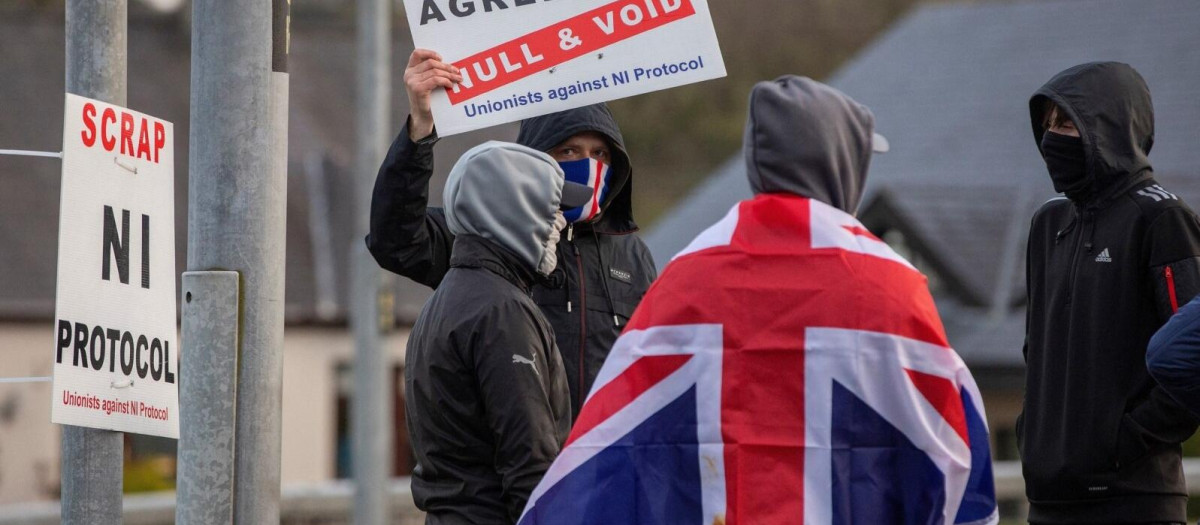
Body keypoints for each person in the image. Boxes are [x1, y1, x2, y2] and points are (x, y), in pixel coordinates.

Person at [516, 76, 997, 524]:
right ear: (843, 162)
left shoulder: (689, 275)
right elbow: (953, 447)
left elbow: (613, 437)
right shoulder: (890, 282)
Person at [368, 49, 657, 416]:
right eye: (569, 151)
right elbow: (395, 239)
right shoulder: (486, 233)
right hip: (515, 449)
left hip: (604, 450)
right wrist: (420, 129)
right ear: (532, 161)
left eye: (600, 153)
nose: (587, 164)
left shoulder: (633, 254)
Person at [1018, 62, 1200, 524]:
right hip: (1047, 500)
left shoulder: (1162, 219)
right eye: (1047, 125)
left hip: (1135, 500)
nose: (1051, 139)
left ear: (1109, 129)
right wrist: (1031, 434)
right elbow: (1035, 351)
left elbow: (1194, 359)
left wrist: (1125, 442)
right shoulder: (1047, 223)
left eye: (1066, 124)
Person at [405, 141, 588, 525]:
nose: (561, 223)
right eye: (552, 210)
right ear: (515, 211)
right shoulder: (502, 312)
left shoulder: (446, 299)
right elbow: (530, 465)